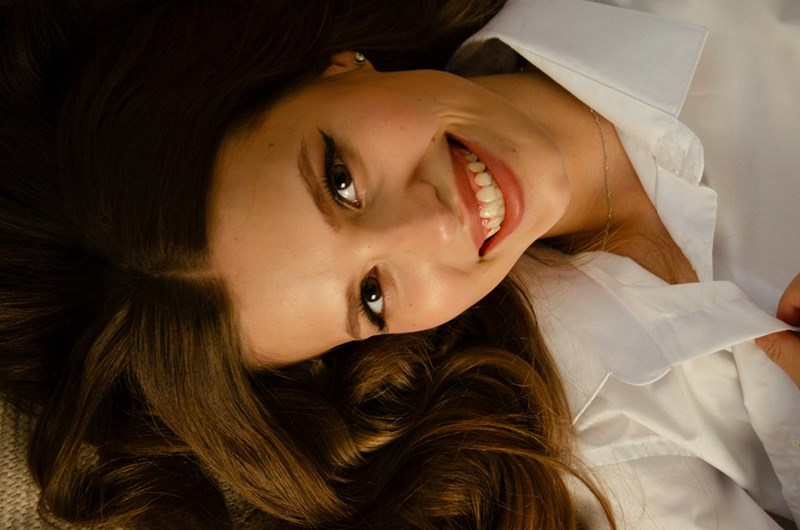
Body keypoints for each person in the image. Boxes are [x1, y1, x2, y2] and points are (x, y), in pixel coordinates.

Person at [0, 1, 797, 529]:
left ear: (332, 64)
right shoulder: (609, 463)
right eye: (373, 295)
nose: (432, 226)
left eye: (341, 181)